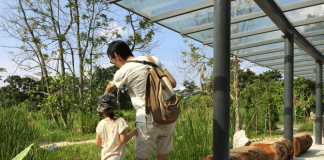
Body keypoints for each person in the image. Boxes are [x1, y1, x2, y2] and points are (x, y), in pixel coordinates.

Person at [104, 40, 177, 160]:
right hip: (168, 116)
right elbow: (173, 83)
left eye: (112, 60)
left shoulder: (123, 71)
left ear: (116, 55)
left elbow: (110, 86)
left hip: (147, 119)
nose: (115, 63)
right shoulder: (152, 59)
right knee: (163, 156)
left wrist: (104, 100)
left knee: (142, 158)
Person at [95, 93, 138, 160]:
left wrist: (107, 145)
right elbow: (123, 140)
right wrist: (133, 133)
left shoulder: (100, 124)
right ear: (114, 108)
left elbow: (97, 143)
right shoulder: (120, 121)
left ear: (102, 111)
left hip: (105, 157)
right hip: (118, 157)